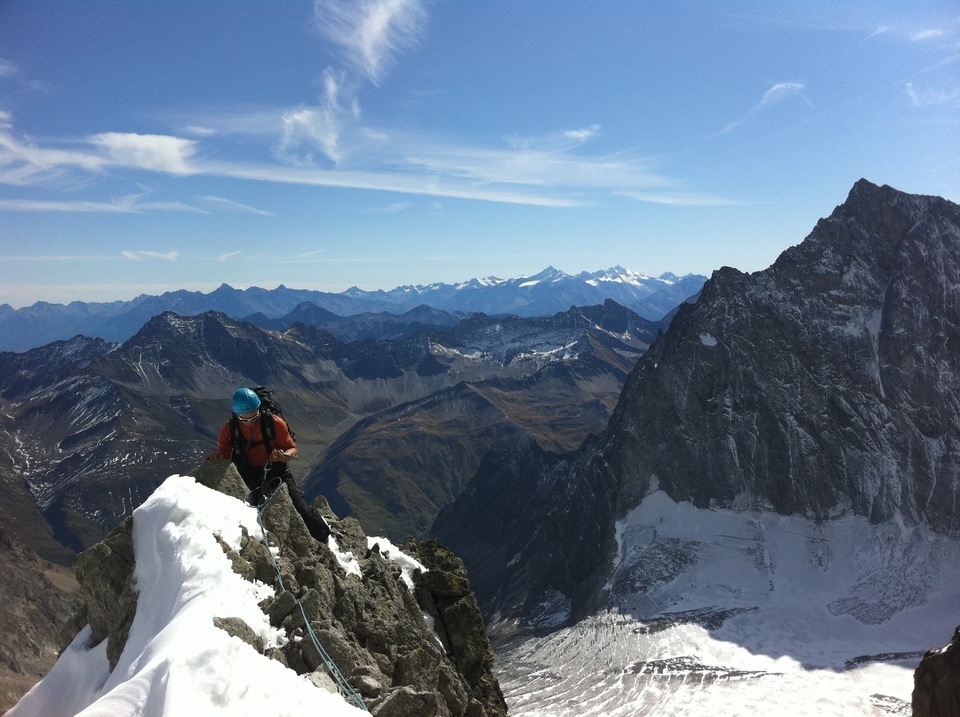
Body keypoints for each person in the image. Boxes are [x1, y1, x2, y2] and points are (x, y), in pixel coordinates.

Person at [217, 387, 331, 541]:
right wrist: (217, 459)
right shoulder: (231, 428)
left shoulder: (274, 423)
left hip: (278, 472)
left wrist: (284, 456)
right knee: (253, 512)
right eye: (245, 420)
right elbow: (224, 449)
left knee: (300, 508)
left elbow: (292, 449)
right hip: (249, 475)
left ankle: (324, 536)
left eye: (254, 417)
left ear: (259, 409)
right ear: (237, 415)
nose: (250, 423)